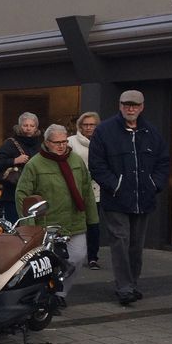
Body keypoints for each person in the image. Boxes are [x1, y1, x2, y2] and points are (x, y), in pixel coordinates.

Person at [89, 90, 171, 306]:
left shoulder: (151, 132)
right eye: (126, 104)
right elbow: (97, 165)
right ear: (120, 105)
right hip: (116, 200)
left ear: (142, 106)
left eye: (134, 105)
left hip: (143, 199)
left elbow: (163, 162)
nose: (130, 108)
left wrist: (154, 184)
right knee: (120, 241)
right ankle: (124, 287)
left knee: (136, 245)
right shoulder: (104, 131)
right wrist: (115, 185)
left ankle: (132, 284)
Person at [14, 124, 98, 309]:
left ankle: (60, 292)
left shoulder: (75, 160)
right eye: (57, 142)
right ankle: (47, 294)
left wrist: (92, 219)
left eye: (64, 141)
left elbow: (86, 190)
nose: (61, 146)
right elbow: (22, 194)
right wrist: (30, 224)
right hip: (48, 224)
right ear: (47, 142)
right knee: (48, 262)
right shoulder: (35, 164)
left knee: (77, 258)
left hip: (75, 221)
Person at [0, 112, 42, 223]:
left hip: (35, 194)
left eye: (32, 126)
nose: (28, 128)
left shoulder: (40, 145)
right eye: (25, 125)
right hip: (13, 195)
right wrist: (15, 160)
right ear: (20, 127)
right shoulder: (10, 143)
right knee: (15, 229)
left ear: (36, 128)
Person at [69, 112, 102, 270]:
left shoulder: (103, 141)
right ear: (80, 126)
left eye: (92, 125)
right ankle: (72, 255)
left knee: (94, 224)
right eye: (86, 125)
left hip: (97, 189)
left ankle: (92, 257)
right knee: (75, 223)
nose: (89, 128)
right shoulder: (71, 142)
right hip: (76, 189)